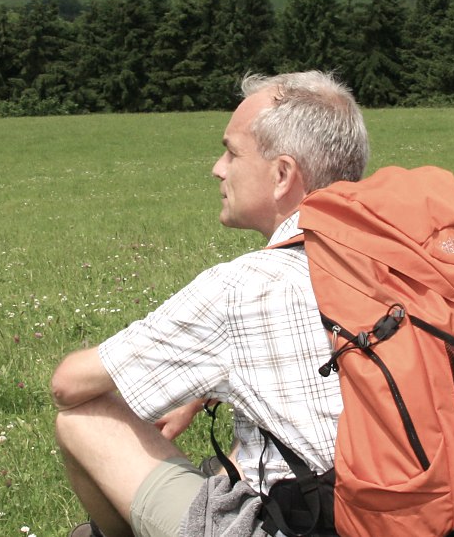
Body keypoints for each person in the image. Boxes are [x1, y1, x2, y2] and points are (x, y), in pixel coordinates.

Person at [50, 71, 369, 537]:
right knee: (236, 462)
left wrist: (195, 368)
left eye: (232, 152)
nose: (218, 168)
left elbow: (69, 385)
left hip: (311, 525)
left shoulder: (242, 287)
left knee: (83, 419)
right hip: (430, 514)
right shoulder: (412, 262)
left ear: (282, 175)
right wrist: (202, 389)